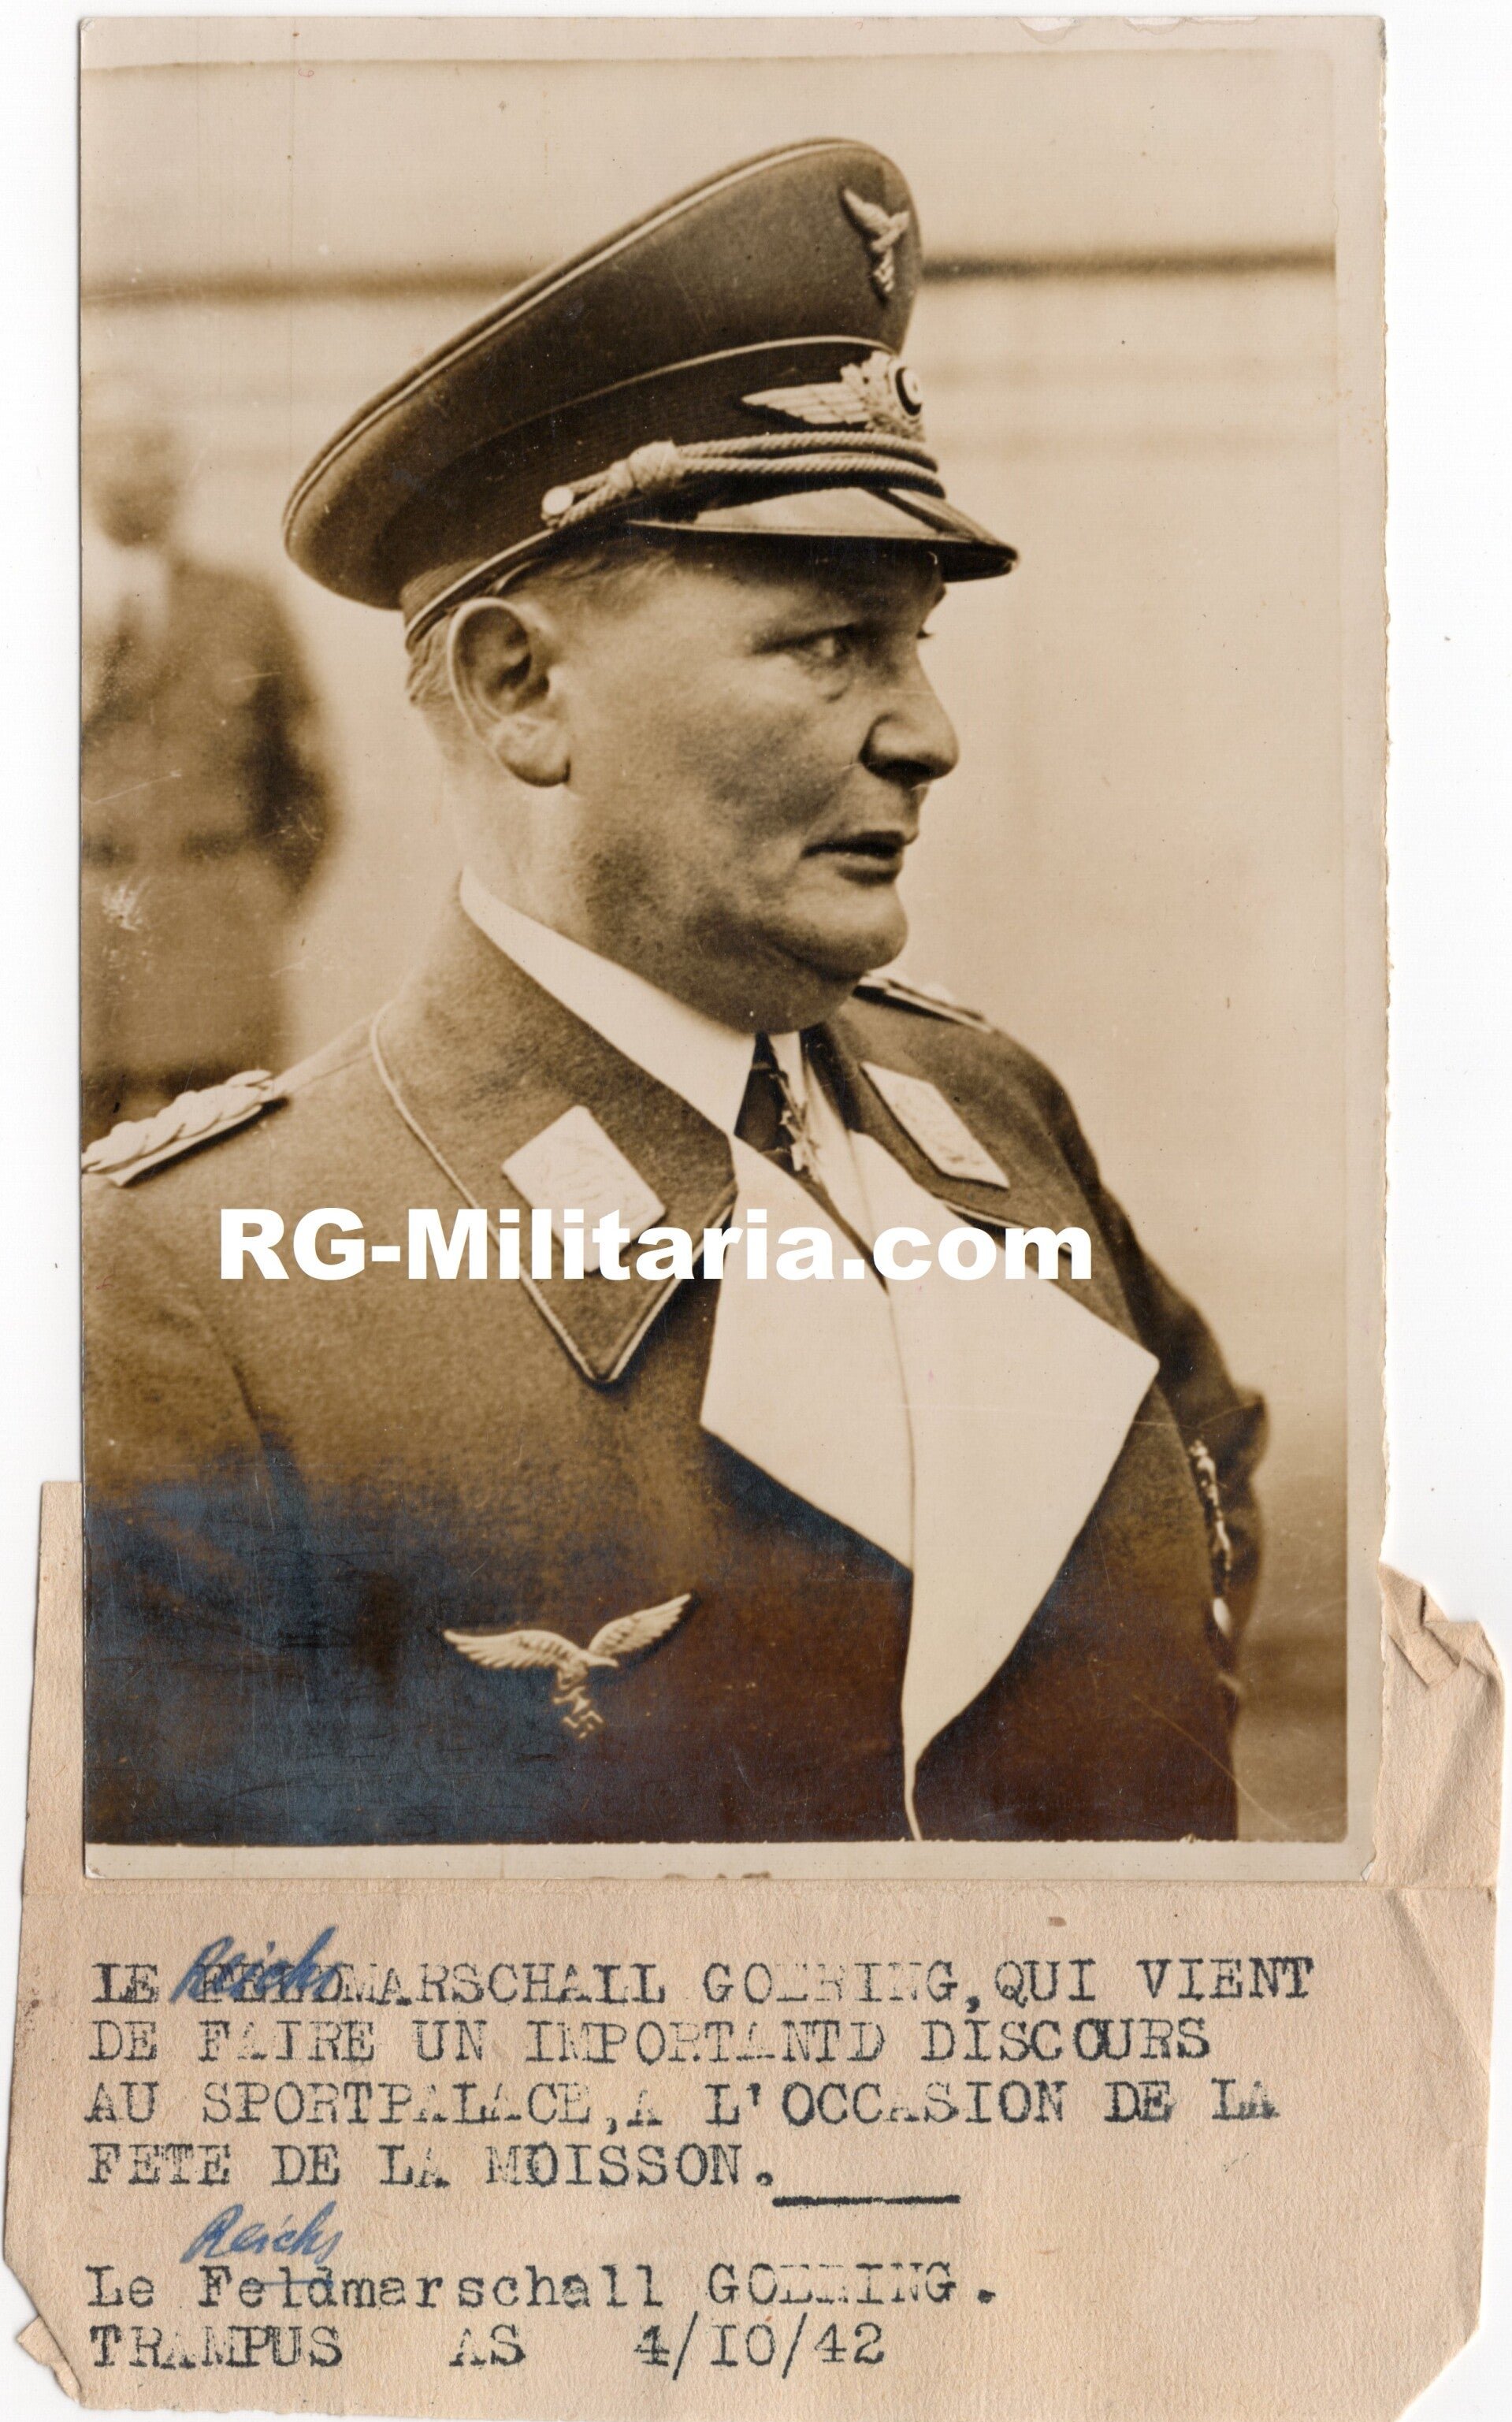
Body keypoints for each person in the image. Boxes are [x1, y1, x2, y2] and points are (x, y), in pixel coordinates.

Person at [83, 140, 1265, 1850]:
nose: (925, 731)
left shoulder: (985, 1109)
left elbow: (1204, 1485)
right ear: (518, 690)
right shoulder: (188, 1284)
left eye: (916, 639)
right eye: (826, 642)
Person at [80, 376, 336, 1144]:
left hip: (216, 953)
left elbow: (309, 794)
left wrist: (247, 898)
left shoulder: (242, 606)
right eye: (115, 445)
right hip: (71, 960)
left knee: (225, 1172)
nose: (142, 469)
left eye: (160, 446)